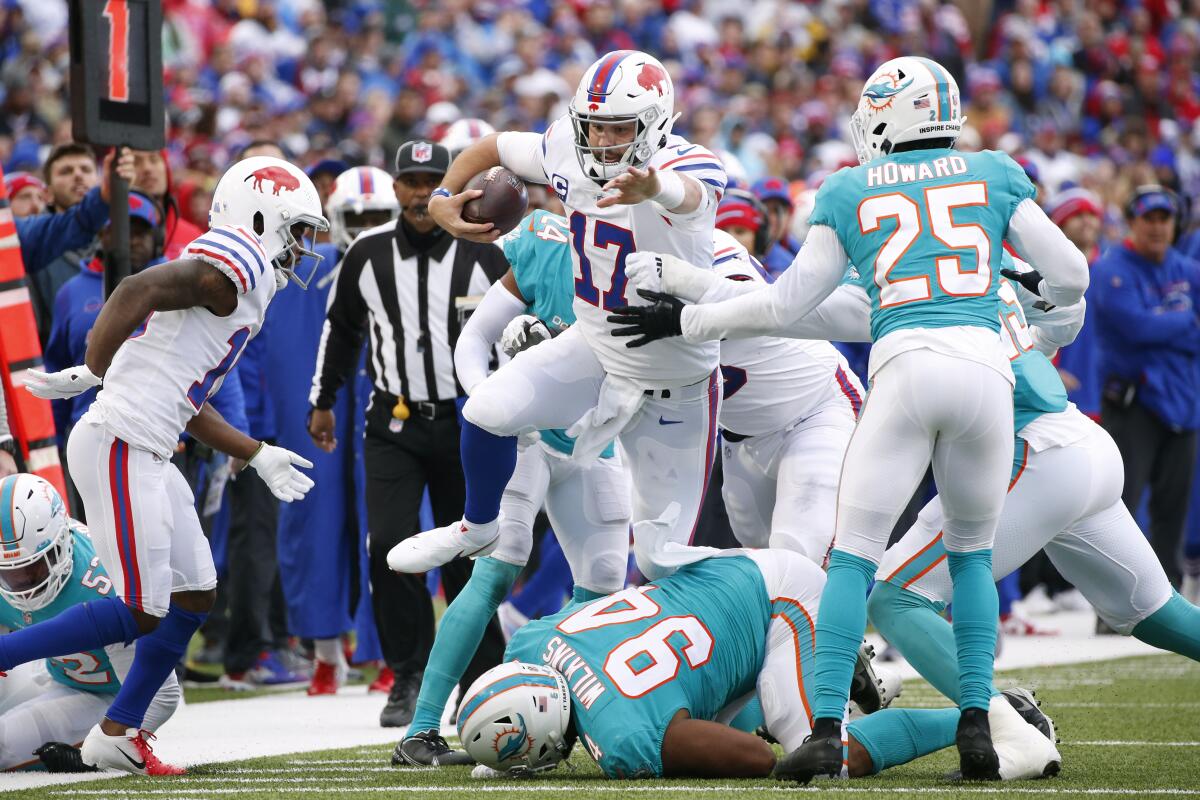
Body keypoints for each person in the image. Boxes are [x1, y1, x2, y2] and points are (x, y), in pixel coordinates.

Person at [606, 56, 1089, 781]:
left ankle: (826, 728)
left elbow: (785, 304)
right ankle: (980, 732)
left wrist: (695, 315)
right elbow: (1073, 277)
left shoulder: (850, 186)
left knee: (855, 556)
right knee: (971, 559)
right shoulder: (994, 170)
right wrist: (1017, 291)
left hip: (905, 368)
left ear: (888, 114)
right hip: (986, 373)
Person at [5, 156, 325, 774]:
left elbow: (187, 401)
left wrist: (255, 452)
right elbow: (136, 289)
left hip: (146, 442)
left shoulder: (245, 281)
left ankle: (118, 732)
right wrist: (94, 369)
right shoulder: (239, 263)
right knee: (143, 609)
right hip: (120, 440)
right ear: (260, 218)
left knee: (196, 593)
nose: (302, 246)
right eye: (296, 229)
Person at [388, 51, 728, 592]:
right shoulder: (569, 146)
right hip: (596, 344)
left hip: (675, 377)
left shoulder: (691, 163)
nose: (602, 141)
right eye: (593, 126)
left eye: (619, 128)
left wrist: (653, 188)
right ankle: (478, 527)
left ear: (656, 124)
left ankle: (770, 591)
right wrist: (443, 197)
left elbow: (691, 196)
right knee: (487, 409)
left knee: (662, 559)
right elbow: (495, 146)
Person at [872, 265, 1200, 701]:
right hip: (1079, 441)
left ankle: (1007, 727)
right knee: (1156, 614)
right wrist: (1034, 347)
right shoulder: (982, 249)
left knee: (895, 598)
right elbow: (1069, 308)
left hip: (1032, 454)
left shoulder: (895, 272)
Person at [459, 546, 1059, 782]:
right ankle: (847, 677)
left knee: (821, 758)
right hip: (724, 578)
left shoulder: (620, 739)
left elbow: (753, 762)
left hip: (779, 605)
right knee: (723, 715)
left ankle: (1003, 715)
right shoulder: (530, 644)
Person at [392, 208, 631, 765]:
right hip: (529, 439)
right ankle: (421, 729)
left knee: (602, 587)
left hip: (599, 444)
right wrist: (494, 401)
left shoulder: (648, 265)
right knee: (497, 567)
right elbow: (473, 339)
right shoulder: (547, 249)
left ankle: (568, 716)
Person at [307, 141, 510, 727]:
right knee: (390, 547)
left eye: (431, 179)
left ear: (448, 183)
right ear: (394, 189)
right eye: (410, 181)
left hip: (469, 422)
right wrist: (322, 402)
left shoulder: (486, 250)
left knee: (469, 553)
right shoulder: (366, 254)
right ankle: (409, 673)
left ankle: (481, 680)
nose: (422, 192)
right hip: (392, 420)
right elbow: (340, 331)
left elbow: (520, 327)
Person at [274, 165, 398, 696]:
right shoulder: (308, 269)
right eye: (359, 217)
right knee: (314, 523)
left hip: (386, 405)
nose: (368, 227)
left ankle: (390, 649)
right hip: (319, 406)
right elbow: (270, 344)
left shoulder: (404, 265)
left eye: (378, 217)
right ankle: (326, 652)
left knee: (388, 526)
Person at [0, 474, 181, 772]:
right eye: (8, 572)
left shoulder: (102, 579)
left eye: (32, 568)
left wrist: (102, 742)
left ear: (61, 544)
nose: (20, 584)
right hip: (50, 672)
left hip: (106, 695)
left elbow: (161, 696)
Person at [1092, 186, 1200, 589]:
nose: (1157, 227)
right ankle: (1113, 599)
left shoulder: (1187, 270)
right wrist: (1186, 323)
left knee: (1173, 507)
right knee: (1120, 506)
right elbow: (1134, 328)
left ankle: (1166, 594)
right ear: (1131, 223)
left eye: (1164, 219)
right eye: (1148, 219)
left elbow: (1148, 326)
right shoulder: (1112, 268)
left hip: (1184, 404)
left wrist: (1162, 325)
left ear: (1175, 224)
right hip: (1133, 405)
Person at [129, 149, 204, 260]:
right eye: (136, 162)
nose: (147, 168)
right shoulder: (111, 236)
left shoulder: (195, 238)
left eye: (154, 159)